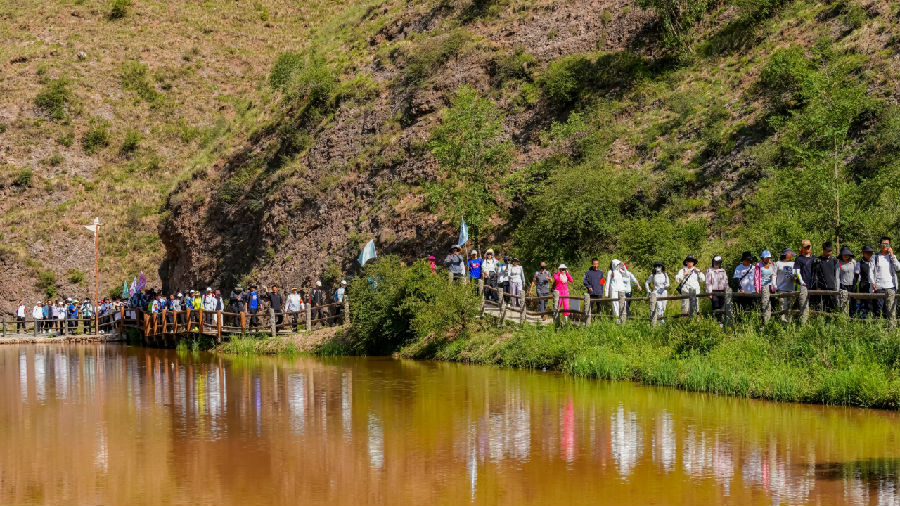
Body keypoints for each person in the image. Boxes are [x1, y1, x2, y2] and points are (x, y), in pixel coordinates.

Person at [871, 236, 900, 319]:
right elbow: (871, 271)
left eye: (887, 244)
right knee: (879, 310)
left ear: (889, 245)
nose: (885, 246)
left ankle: (891, 329)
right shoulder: (875, 257)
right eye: (883, 243)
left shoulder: (892, 257)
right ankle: (880, 328)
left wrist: (892, 255)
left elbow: (898, 268)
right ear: (880, 244)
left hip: (891, 286)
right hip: (879, 287)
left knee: (891, 309)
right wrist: (873, 282)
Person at [813, 242, 838, 312]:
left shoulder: (834, 260)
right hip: (821, 287)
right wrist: (817, 286)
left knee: (833, 306)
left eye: (831, 251)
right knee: (822, 306)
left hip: (832, 286)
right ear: (823, 250)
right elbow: (816, 274)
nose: (830, 252)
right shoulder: (818, 260)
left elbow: (837, 273)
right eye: (828, 251)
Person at [774, 249, 797, 321]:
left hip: (791, 288)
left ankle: (789, 322)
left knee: (790, 307)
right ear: (786, 254)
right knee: (782, 306)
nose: (791, 256)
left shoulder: (793, 264)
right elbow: (774, 275)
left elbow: (796, 275)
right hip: (781, 288)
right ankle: (783, 322)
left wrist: (794, 277)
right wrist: (775, 286)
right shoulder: (778, 263)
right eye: (790, 254)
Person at [705, 256, 728, 322]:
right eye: (715, 263)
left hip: (722, 291)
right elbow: (708, 282)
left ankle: (722, 322)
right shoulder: (710, 271)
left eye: (717, 263)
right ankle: (716, 322)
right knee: (716, 306)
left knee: (722, 306)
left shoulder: (723, 271)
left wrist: (727, 290)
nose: (716, 265)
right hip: (714, 291)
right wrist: (709, 292)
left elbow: (725, 281)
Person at [837, 246, 858, 316]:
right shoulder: (839, 264)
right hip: (843, 285)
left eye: (847, 254)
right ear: (841, 255)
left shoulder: (854, 262)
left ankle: (853, 317)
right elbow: (837, 278)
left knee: (853, 302)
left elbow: (857, 274)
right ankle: (844, 318)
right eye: (844, 254)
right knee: (844, 302)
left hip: (853, 285)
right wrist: (837, 289)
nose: (846, 256)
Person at [857, 245, 875, 318]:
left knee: (872, 302)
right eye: (867, 253)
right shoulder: (859, 264)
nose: (869, 255)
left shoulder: (874, 263)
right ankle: (863, 318)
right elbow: (858, 277)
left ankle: (872, 317)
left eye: (870, 253)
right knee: (864, 302)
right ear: (863, 253)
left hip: (872, 285)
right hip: (863, 285)